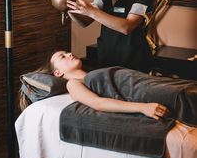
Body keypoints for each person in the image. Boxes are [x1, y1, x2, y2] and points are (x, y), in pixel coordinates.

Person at [20, 50, 169, 121]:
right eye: (63, 57)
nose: (69, 54)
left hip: (149, 83)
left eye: (67, 52)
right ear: (58, 73)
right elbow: (98, 103)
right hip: (146, 92)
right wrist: (143, 107)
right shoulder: (73, 84)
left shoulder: (93, 72)